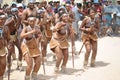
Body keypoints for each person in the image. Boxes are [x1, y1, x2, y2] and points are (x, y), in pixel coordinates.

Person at [20, 16, 42, 80]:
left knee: (38, 62)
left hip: (35, 47)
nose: (32, 22)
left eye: (33, 21)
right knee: (30, 64)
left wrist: (40, 37)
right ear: (28, 22)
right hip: (27, 47)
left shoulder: (37, 28)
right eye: (30, 21)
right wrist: (31, 32)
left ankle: (34, 74)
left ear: (35, 21)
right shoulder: (26, 28)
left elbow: (39, 35)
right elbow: (21, 36)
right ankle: (27, 77)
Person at [0, 13, 10, 80]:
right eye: (1, 19)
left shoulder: (6, 28)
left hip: (2, 49)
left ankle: (1, 77)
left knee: (3, 65)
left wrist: (9, 46)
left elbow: (8, 39)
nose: (3, 20)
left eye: (4, 19)